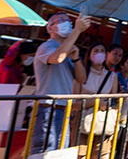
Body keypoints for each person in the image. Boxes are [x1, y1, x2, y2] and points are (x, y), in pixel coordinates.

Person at [31, 12, 90, 155]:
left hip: (63, 107)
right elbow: (56, 58)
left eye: (69, 21)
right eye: (61, 20)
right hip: (48, 107)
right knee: (47, 150)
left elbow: (81, 79)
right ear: (50, 28)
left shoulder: (68, 50)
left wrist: (76, 59)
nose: (67, 23)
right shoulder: (46, 46)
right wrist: (76, 30)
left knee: (59, 151)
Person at [79, 42, 119, 159]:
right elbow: (74, 102)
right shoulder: (81, 74)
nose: (99, 54)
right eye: (96, 51)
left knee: (102, 155)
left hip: (104, 121)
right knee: (81, 155)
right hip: (83, 121)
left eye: (102, 51)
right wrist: (96, 103)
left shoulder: (112, 76)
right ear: (89, 55)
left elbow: (114, 100)